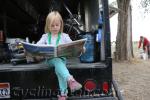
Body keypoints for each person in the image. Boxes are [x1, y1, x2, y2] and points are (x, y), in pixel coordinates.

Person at [36, 11, 82, 100]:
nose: (55, 27)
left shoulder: (65, 36)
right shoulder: (45, 36)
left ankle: (63, 95)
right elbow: (37, 46)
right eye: (52, 25)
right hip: (50, 60)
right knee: (57, 61)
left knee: (59, 70)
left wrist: (81, 48)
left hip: (62, 60)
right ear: (48, 26)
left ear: (61, 24)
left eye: (57, 25)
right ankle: (70, 79)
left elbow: (73, 46)